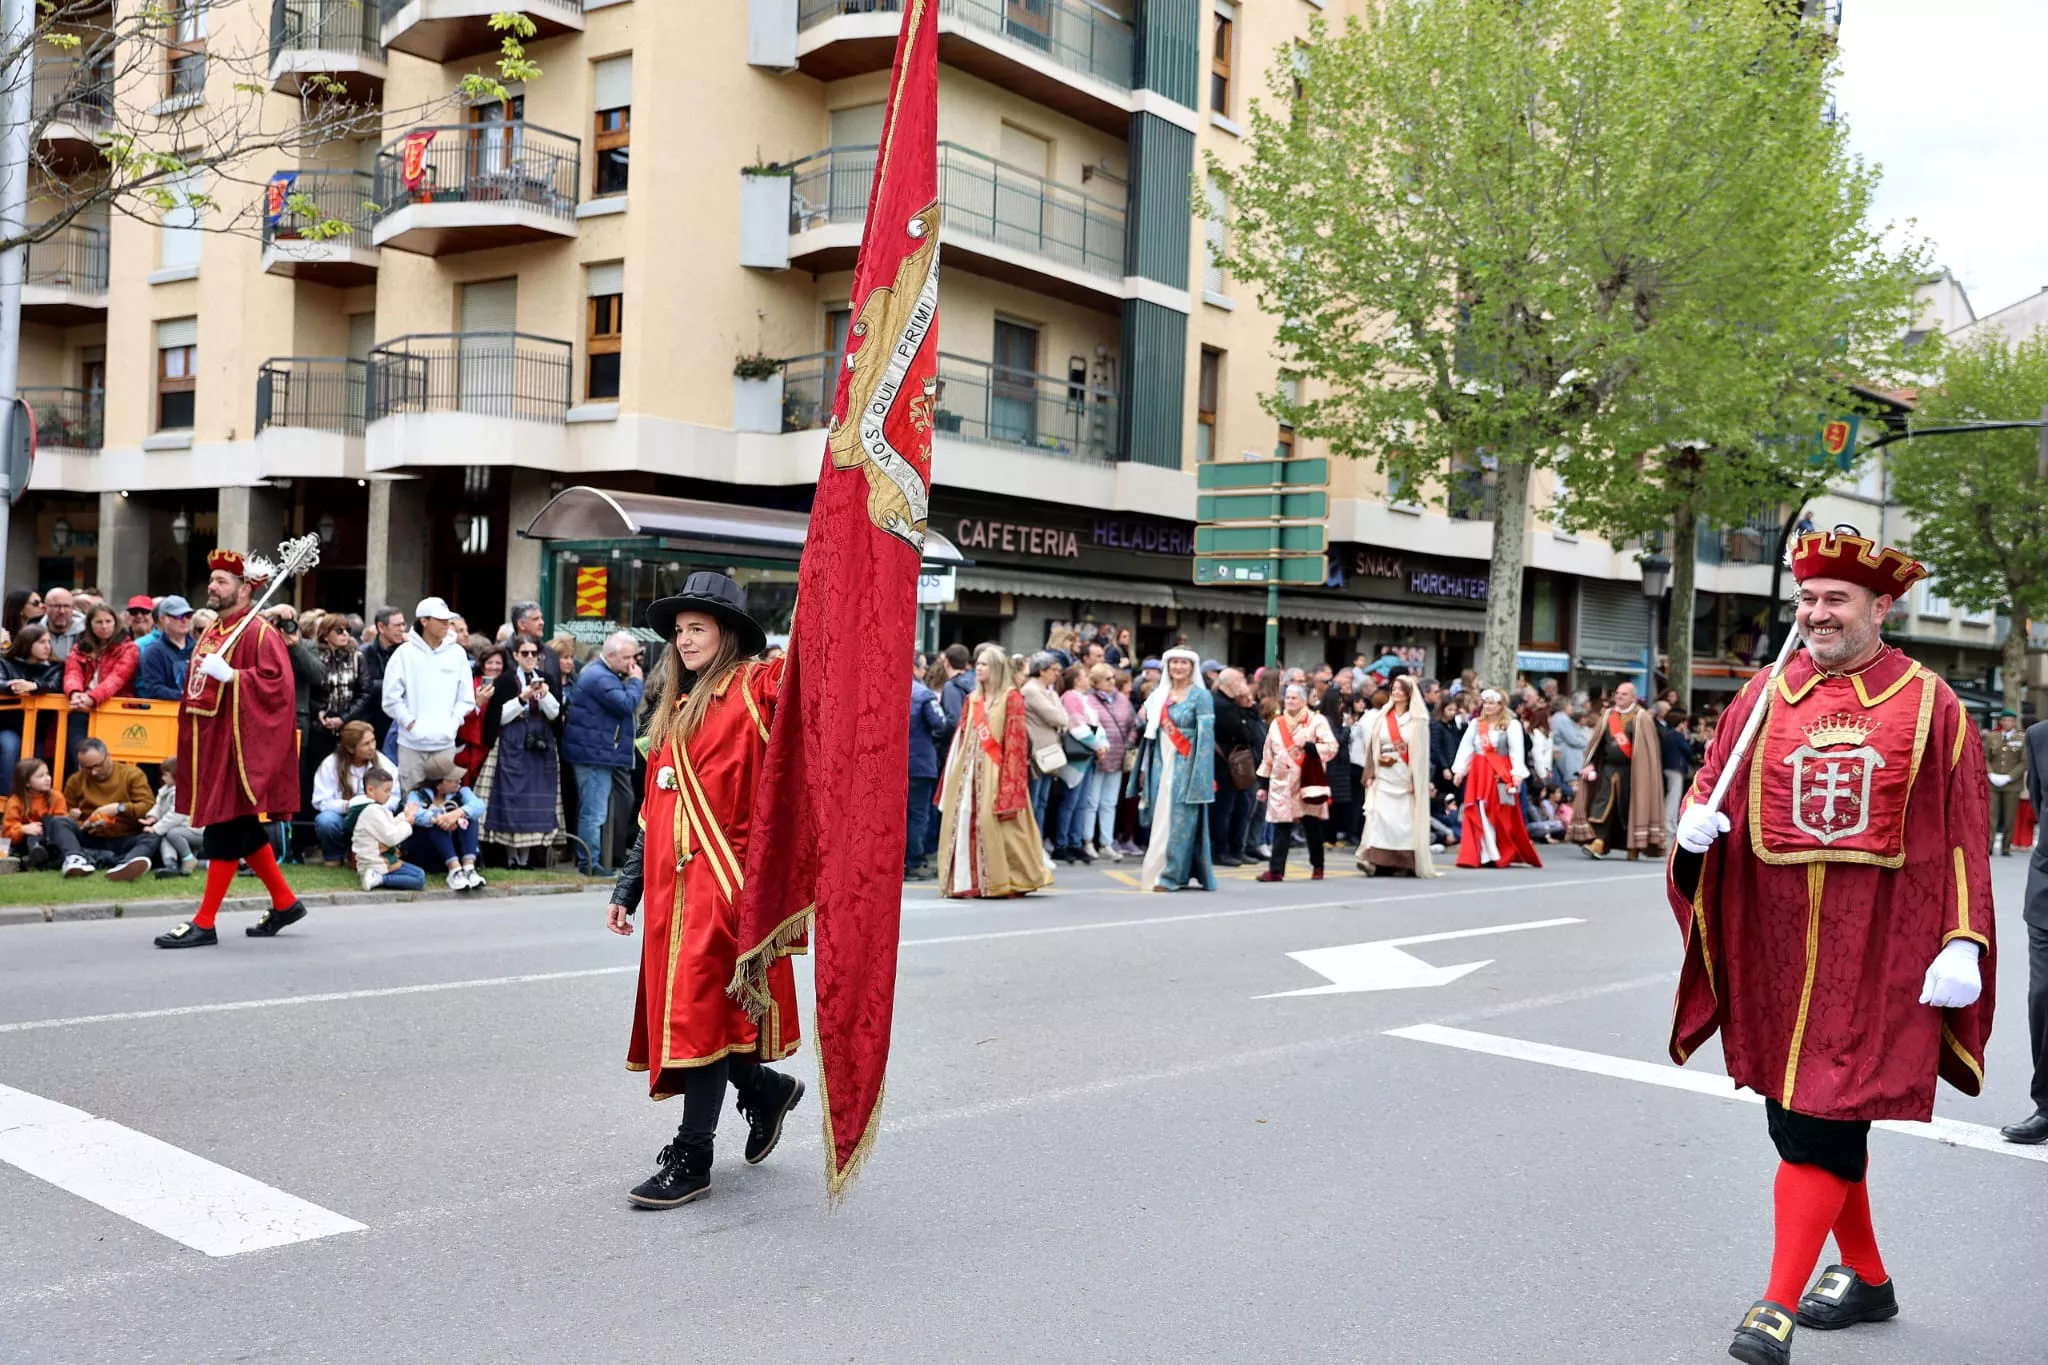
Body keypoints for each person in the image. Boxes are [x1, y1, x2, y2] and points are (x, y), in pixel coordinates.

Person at [1668, 530, 1995, 1365]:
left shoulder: (1932, 703)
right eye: (1807, 599)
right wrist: (1695, 831)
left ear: (1879, 607)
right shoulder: (1763, 695)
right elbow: (1714, 783)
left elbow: (1962, 832)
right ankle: (1870, 1277)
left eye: (1834, 599)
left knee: (1823, 1117)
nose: (1816, 612)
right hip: (1774, 943)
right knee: (1803, 1115)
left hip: (1878, 946)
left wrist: (1963, 940)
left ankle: (1775, 1304)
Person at [602, 572, 807, 1208]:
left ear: (728, 635)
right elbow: (654, 812)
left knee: (700, 1015)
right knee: (703, 1012)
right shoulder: (675, 708)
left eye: (699, 629)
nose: (686, 640)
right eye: (680, 631)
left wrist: (827, 592)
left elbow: (807, 671)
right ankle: (763, 1090)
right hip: (671, 893)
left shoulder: (755, 685)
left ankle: (693, 1156)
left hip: (724, 886)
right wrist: (628, 885)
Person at [153, 549, 307, 950]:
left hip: (239, 746)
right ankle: (285, 903)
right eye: (213, 579)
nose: (213, 586)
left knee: (224, 827)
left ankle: (205, 922)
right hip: (213, 743)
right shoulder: (214, 630)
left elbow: (278, 688)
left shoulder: (259, 633)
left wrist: (237, 677)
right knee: (241, 826)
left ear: (245, 588)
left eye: (222, 581)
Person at [935, 642, 1052, 899]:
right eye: (977, 664)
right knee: (965, 820)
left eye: (984, 664)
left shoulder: (1011, 697)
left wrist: (1011, 780)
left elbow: (1016, 742)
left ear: (997, 668)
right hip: (968, 771)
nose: (978, 668)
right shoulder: (972, 699)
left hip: (996, 770)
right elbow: (961, 738)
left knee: (995, 824)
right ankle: (966, 881)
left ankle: (1009, 878)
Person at [1130, 648, 1216, 893]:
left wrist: (1200, 774)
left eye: (1184, 663)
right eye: (1174, 662)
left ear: (1192, 667)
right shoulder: (1159, 695)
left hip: (1186, 763)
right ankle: (1155, 870)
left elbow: (1206, 739)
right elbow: (1149, 733)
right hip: (1160, 760)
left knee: (1180, 821)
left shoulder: (1201, 697)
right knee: (1159, 818)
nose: (1178, 667)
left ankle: (1171, 876)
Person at [473, 638, 562, 866]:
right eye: (525, 653)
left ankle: (526, 859)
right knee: (512, 797)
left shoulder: (547, 679)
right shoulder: (505, 681)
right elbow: (498, 717)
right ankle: (512, 858)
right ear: (515, 655)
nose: (530, 657)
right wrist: (522, 699)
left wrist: (544, 696)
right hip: (512, 743)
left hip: (541, 745)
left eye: (534, 653)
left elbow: (555, 715)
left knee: (536, 801)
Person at [562, 631, 645, 876]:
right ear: (610, 655)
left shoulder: (606, 673)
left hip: (603, 752)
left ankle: (608, 857)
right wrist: (636, 680)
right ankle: (589, 863)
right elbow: (626, 704)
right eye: (627, 657)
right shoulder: (600, 677)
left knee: (613, 803)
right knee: (594, 811)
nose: (632, 664)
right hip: (594, 754)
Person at [382, 597, 476, 795]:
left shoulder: (457, 654)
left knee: (445, 803)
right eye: (441, 620)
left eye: (448, 620)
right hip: (411, 745)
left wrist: (452, 724)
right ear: (424, 621)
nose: (446, 625)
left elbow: (466, 699)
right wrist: (411, 725)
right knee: (411, 802)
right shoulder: (404, 654)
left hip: (445, 744)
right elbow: (390, 700)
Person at [1570, 680, 1665, 860]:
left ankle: (1633, 846)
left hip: (1633, 773)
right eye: (1618, 693)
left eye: (1624, 694)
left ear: (1633, 697)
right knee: (1603, 803)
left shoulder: (1642, 717)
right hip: (1608, 768)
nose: (1619, 697)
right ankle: (1599, 842)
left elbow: (1648, 751)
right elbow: (1597, 744)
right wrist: (1590, 763)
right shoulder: (1607, 715)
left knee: (1629, 807)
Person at [1356, 676, 1440, 878]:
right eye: (1393, 689)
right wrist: (1369, 773)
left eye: (1401, 689)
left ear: (1409, 693)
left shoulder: (1418, 719)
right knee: (1379, 818)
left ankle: (1404, 861)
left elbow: (1420, 753)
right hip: (1384, 772)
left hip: (1405, 773)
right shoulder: (1383, 716)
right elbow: (1372, 745)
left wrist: (1416, 780)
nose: (1396, 692)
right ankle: (1376, 860)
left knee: (1404, 821)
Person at [2009, 717, 2048, 1146]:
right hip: (2047, 889)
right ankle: (2046, 1107)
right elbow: (2040, 803)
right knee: (2043, 997)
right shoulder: (2040, 737)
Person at [1255, 683, 1338, 882]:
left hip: (1306, 780)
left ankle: (1318, 865)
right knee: (1282, 826)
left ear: (1303, 700)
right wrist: (1263, 784)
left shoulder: (1316, 721)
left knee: (1311, 825)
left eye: (1294, 698)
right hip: (1281, 782)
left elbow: (1332, 746)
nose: (1290, 701)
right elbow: (1268, 754)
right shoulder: (1277, 723)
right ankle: (1276, 870)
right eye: (1288, 698)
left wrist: (1313, 748)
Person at [1452, 688, 1542, 869]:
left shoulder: (1511, 725)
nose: (1488, 706)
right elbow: (1466, 747)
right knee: (1477, 810)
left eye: (1492, 703)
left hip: (1500, 774)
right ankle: (1482, 853)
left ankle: (1498, 852)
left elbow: (1517, 751)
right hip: (1479, 772)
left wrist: (1517, 773)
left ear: (1501, 705)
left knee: (1498, 812)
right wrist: (1460, 769)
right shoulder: (1476, 724)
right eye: (1485, 703)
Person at [54, 737, 156, 881]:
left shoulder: (132, 774)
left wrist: (118, 808)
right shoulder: (75, 780)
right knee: (58, 822)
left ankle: (127, 864)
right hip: (91, 836)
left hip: (125, 836)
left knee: (153, 836)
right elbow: (68, 813)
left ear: (108, 757)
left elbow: (148, 806)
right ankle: (75, 859)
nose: (94, 772)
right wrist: (79, 822)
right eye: (87, 768)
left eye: (97, 766)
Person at [310, 720, 400, 865]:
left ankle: (366, 857)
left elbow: (394, 797)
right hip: (343, 818)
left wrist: (375, 808)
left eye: (373, 741)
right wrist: (347, 806)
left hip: (373, 818)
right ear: (351, 749)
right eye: (366, 744)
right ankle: (333, 857)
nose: (372, 747)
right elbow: (321, 801)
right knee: (325, 821)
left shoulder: (383, 763)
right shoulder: (330, 764)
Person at [1051, 664, 1111, 863]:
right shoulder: (1070, 697)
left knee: (1081, 802)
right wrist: (1097, 745)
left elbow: (1097, 725)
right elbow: (1076, 725)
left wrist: (1102, 744)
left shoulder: (1084, 699)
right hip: (1077, 755)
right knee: (1070, 801)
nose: (1088, 679)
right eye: (1085, 675)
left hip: (1087, 755)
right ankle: (1062, 843)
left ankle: (1075, 842)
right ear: (1077, 680)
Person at [406, 751, 487, 891]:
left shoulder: (462, 792)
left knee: (468, 817)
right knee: (435, 822)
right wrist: (439, 818)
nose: (459, 781)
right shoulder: (417, 795)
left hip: (457, 846)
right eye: (453, 779)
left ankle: (469, 868)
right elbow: (415, 813)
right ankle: (454, 871)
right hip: (428, 851)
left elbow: (479, 805)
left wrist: (457, 813)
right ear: (439, 785)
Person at [0, 623, 63, 794]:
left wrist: (34, 686)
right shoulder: (5, 663)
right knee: (9, 749)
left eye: (49, 642)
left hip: (41, 731)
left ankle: (36, 805)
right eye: (41, 642)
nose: (47, 646)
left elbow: (56, 685)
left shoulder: (56, 667)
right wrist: (11, 686)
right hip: (9, 726)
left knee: (39, 764)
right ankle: (5, 802)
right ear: (27, 643)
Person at [1088, 663, 1137, 862]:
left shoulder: (1123, 700)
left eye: (1112, 678)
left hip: (1118, 756)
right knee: (1091, 802)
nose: (1112, 682)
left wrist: (1129, 742)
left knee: (1110, 802)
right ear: (1096, 681)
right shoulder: (1089, 700)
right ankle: (1088, 841)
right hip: (1098, 757)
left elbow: (1132, 724)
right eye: (1107, 678)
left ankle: (1106, 842)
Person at [348, 767, 425, 891]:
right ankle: (377, 878)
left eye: (390, 791)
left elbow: (388, 827)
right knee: (419, 878)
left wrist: (404, 817)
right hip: (375, 862)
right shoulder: (372, 810)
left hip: (377, 861)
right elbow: (391, 837)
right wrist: (408, 823)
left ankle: (375, 877)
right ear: (370, 790)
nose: (389, 795)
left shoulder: (373, 809)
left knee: (419, 873)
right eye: (386, 791)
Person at [1209, 668, 1257, 868]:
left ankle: (1238, 848)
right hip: (1224, 764)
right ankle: (1221, 850)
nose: (1244, 684)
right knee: (1224, 809)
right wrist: (1246, 715)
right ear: (1228, 683)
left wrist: (1249, 708)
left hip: (1237, 764)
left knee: (1242, 807)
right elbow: (1245, 733)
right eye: (1240, 680)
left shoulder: (1233, 704)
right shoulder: (1221, 705)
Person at [1019, 652, 1069, 840]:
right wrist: (1061, 720)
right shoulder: (1031, 690)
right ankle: (1033, 844)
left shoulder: (1049, 691)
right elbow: (1057, 717)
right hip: (1038, 752)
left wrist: (1061, 718)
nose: (1057, 674)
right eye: (1054, 670)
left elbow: (1064, 717)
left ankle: (1038, 842)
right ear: (1041, 671)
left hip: (1050, 751)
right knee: (1034, 801)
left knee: (1043, 801)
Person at [906, 657, 947, 879]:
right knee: (918, 815)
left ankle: (900, 861)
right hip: (920, 763)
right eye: (923, 666)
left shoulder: (891, 690)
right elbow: (940, 723)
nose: (925, 671)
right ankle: (914, 861)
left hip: (895, 765)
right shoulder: (923, 694)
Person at [62, 603, 138, 715]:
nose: (104, 626)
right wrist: (75, 693)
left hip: (115, 707)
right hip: (80, 704)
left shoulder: (129, 648)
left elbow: (117, 678)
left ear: (115, 623)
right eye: (98, 622)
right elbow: (72, 673)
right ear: (90, 624)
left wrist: (92, 698)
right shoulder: (79, 648)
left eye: (108, 621)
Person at [350, 606, 408, 742]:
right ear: (381, 627)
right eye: (397, 625)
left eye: (403, 624)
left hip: (400, 722)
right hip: (372, 722)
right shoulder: (363, 653)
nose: (402, 629)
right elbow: (364, 687)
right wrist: (397, 685)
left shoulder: (407, 652)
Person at [140, 752, 199, 876]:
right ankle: (170, 864)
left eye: (165, 775)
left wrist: (156, 828)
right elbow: (159, 806)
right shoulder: (165, 790)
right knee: (167, 836)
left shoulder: (183, 793)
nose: (162, 778)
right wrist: (152, 817)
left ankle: (188, 859)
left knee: (172, 833)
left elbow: (176, 815)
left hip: (194, 830)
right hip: (180, 829)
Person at [3, 757, 66, 868]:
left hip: (51, 838)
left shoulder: (57, 797)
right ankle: (36, 854)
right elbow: (7, 833)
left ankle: (39, 857)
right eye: (40, 776)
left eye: (47, 774)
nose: (47, 779)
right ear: (27, 782)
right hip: (25, 842)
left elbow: (63, 823)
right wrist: (23, 829)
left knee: (51, 822)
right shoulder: (15, 801)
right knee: (32, 837)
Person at [134, 596, 196, 700]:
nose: (184, 620)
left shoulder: (199, 648)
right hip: (165, 712)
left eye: (188, 615)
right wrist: (185, 696)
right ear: (162, 618)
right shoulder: (153, 652)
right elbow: (154, 689)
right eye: (178, 616)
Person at [1985, 709, 2025, 855]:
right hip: (1993, 782)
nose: (2007, 723)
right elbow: (1984, 757)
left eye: (2010, 720)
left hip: (2012, 783)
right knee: (1991, 815)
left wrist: (2009, 777)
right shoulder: (1992, 737)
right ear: (2000, 722)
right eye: (2004, 720)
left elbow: (2024, 761)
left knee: (2009, 816)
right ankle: (1988, 845)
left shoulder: (2021, 738)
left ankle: (2006, 846)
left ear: (2014, 722)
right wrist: (1990, 774)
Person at [1661, 704, 1693, 837]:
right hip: (1676, 768)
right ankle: (1669, 824)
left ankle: (1670, 823)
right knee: (1674, 797)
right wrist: (1686, 737)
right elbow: (1688, 750)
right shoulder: (1677, 735)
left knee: (1672, 796)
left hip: (1669, 767)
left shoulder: (1668, 734)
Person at [1549, 697, 1586, 789]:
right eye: (1570, 705)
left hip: (1566, 755)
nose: (1571, 707)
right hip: (1570, 757)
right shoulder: (1562, 719)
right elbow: (1573, 739)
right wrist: (1586, 742)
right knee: (1574, 785)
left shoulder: (1557, 718)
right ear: (1564, 706)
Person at [42, 587, 81, 660]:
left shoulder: (87, 634)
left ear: (73, 608)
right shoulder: (34, 633)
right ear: (45, 608)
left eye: (66, 606)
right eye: (56, 606)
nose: (62, 611)